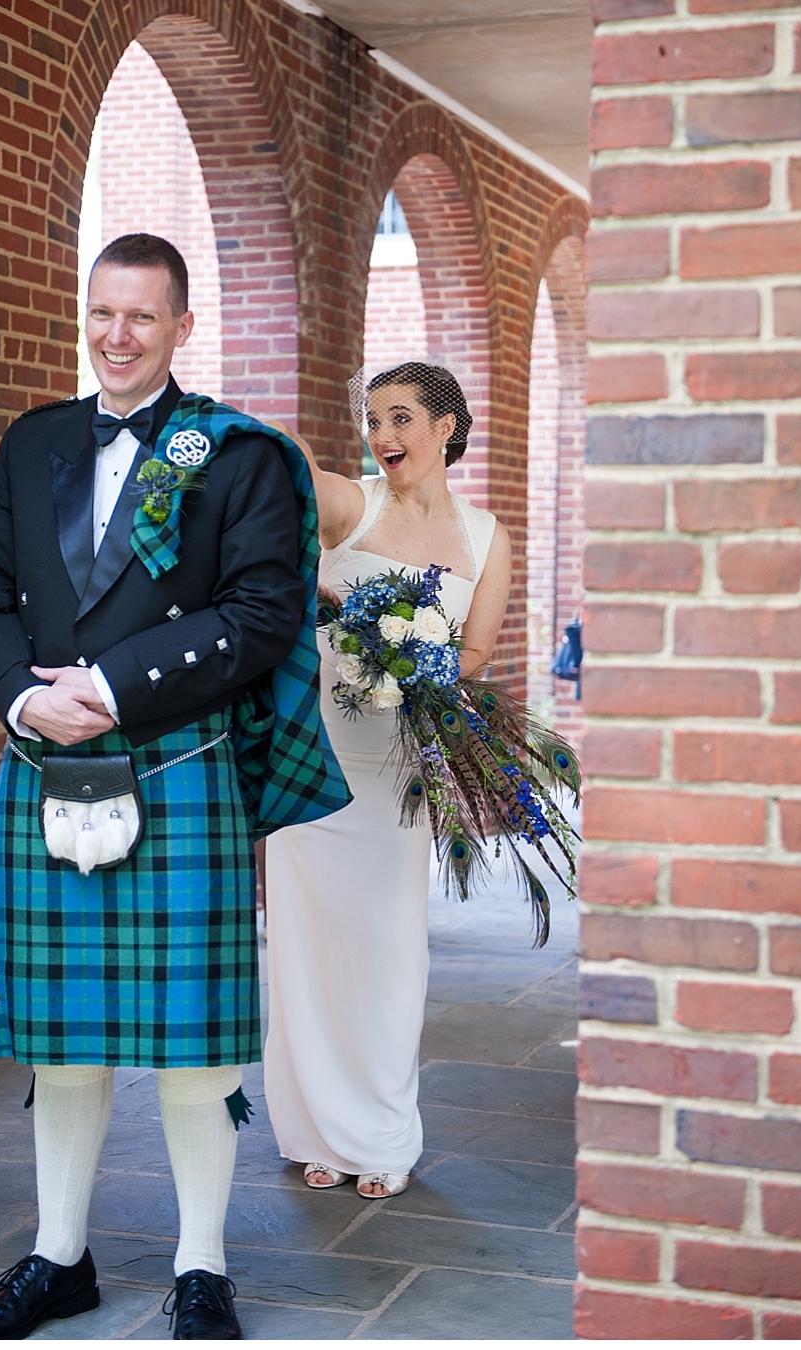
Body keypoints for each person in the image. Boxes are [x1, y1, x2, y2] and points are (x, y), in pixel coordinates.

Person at [0, 233, 348, 1340]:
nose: (117, 336)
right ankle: (57, 1258)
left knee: (194, 1044)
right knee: (60, 1041)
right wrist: (26, 697)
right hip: (42, 761)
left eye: (142, 316)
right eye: (102, 312)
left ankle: (202, 1267)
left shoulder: (239, 455)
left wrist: (114, 686)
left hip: (176, 770)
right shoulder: (33, 445)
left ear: (182, 325)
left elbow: (264, 615)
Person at [262, 363, 512, 1199]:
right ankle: (313, 1131)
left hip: (400, 771)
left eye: (400, 418)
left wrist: (423, 673)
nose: (382, 436)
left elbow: (475, 653)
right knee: (306, 947)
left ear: (445, 427)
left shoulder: (485, 537)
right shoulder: (353, 506)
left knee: (389, 950)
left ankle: (381, 1136)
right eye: (371, 420)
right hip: (318, 765)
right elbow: (297, 466)